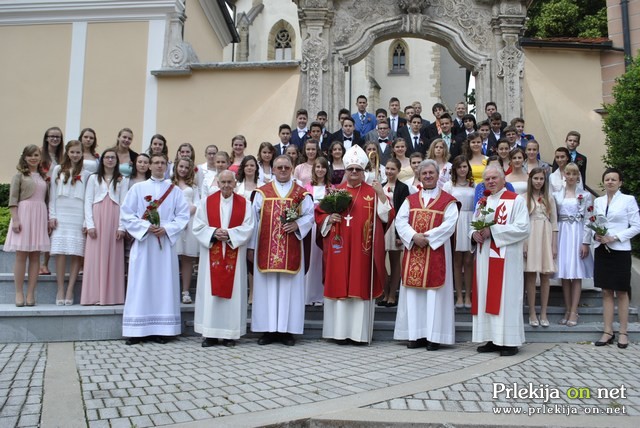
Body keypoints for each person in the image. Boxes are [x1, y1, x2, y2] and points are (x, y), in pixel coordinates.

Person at [316, 145, 392, 345]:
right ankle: (338, 333)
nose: (354, 173)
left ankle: (359, 334)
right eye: (351, 169)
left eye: (358, 169)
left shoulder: (372, 191)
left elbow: (386, 217)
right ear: (346, 171)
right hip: (339, 248)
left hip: (362, 250)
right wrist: (328, 219)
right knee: (339, 285)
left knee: (360, 287)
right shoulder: (335, 192)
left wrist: (382, 194)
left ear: (364, 171)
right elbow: (320, 215)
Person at [120, 154, 190, 344]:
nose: (159, 166)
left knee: (163, 283)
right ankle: (136, 330)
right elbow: (126, 214)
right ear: (149, 165)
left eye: (162, 163)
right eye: (156, 162)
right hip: (144, 243)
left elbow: (183, 216)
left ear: (167, 167)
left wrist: (166, 228)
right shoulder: (138, 188)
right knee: (140, 282)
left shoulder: (174, 191)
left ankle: (162, 329)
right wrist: (145, 227)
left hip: (164, 244)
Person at [249, 155, 314, 346]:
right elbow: (253, 222)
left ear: (292, 168)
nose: (283, 170)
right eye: (279, 167)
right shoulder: (262, 193)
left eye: (286, 167)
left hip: (292, 249)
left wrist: (298, 224)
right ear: (274, 170)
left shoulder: (301, 194)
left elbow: (310, 216)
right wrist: (251, 248)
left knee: (289, 291)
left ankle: (287, 331)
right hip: (265, 249)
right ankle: (268, 331)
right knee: (266, 291)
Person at [395, 159, 458, 350]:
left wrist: (427, 238)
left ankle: (434, 336)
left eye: (431, 173)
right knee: (413, 296)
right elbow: (400, 221)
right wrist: (414, 236)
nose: (428, 176)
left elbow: (450, 224)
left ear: (438, 175)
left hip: (436, 251)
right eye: (424, 174)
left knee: (435, 296)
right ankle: (415, 335)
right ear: (419, 176)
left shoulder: (448, 201)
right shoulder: (410, 200)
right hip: (414, 249)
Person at [471, 164, 529, 356]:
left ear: (504, 179)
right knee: (486, 295)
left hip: (507, 259)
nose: (491, 181)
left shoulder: (516, 201)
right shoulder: (483, 202)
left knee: (506, 297)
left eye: (494, 178)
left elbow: (523, 228)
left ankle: (509, 341)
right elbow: (473, 223)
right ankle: (492, 338)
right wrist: (474, 234)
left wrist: (493, 231)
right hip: (484, 256)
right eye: (487, 179)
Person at [192, 170, 255, 348]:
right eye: (223, 182)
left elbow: (249, 226)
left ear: (235, 183)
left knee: (233, 293)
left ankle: (230, 334)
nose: (226, 185)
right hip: (212, 251)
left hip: (233, 251)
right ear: (217, 183)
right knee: (209, 293)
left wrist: (229, 234)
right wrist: (213, 233)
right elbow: (197, 226)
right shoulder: (206, 202)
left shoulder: (245, 203)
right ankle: (210, 333)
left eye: (230, 182)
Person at [591, 168, 640, 349]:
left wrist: (615, 237)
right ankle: (607, 331)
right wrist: (595, 235)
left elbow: (636, 226)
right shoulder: (598, 201)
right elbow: (594, 223)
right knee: (605, 291)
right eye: (607, 179)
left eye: (613, 179)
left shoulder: (628, 200)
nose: (610, 182)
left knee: (621, 291)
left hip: (620, 250)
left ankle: (623, 332)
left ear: (620, 183)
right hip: (602, 249)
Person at [81, 148, 129, 305]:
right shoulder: (94, 178)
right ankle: (94, 296)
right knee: (95, 257)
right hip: (97, 218)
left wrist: (122, 227)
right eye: (107, 157)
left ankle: (111, 296)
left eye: (113, 158)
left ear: (117, 161)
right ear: (102, 160)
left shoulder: (122, 180)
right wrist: (90, 224)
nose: (110, 160)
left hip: (114, 219)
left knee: (113, 257)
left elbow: (124, 204)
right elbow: (88, 202)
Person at [4, 145, 50, 306]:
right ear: (24, 157)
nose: (33, 158)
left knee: (36, 256)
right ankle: (18, 293)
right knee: (21, 255)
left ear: (40, 157)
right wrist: (15, 219)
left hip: (40, 215)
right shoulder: (19, 176)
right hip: (24, 215)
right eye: (30, 155)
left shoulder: (44, 177)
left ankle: (30, 294)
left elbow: (47, 200)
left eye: (36, 155)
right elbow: (13, 199)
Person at [552, 162, 593, 327]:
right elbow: (554, 218)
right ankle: (567, 309)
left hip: (577, 233)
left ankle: (574, 310)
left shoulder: (585, 195)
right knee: (565, 274)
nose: (570, 177)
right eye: (568, 174)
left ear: (578, 176)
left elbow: (589, 219)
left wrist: (585, 242)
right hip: (563, 234)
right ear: (564, 176)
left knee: (575, 274)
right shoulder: (556, 195)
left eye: (574, 174)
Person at [49, 140, 89, 305]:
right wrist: (52, 215)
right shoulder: (58, 169)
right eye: (72, 152)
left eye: (78, 152)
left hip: (78, 215)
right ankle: (60, 288)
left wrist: (87, 220)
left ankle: (71, 289)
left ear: (82, 153)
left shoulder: (86, 173)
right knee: (60, 252)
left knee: (76, 253)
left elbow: (88, 198)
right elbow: (52, 193)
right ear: (67, 152)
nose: (75, 155)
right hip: (62, 214)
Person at [524, 168, 558, 327]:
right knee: (530, 275)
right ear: (530, 179)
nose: (538, 181)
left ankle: (543, 312)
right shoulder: (523, 198)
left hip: (546, 235)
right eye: (536, 178)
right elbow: (521, 223)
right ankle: (531, 312)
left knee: (545, 275)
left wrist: (554, 245)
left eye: (541, 179)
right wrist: (523, 245)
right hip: (530, 236)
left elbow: (555, 223)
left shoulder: (549, 198)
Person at [443, 156, 476, 309]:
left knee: (469, 261)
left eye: (465, 166)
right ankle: (459, 296)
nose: (463, 169)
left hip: (470, 220)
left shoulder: (474, 185)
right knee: (457, 261)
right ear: (455, 169)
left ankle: (468, 295)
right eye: (460, 167)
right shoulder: (449, 186)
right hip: (455, 221)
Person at [379, 158, 410, 307]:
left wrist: (400, 234)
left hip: (395, 226)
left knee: (395, 262)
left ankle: (392, 295)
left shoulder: (403, 188)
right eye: (388, 169)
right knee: (380, 260)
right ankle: (384, 293)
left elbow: (403, 211)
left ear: (398, 171)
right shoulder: (381, 186)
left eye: (393, 169)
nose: (389, 172)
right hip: (382, 227)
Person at [303, 157, 333, 306]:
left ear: (327, 170)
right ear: (313, 169)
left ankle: (320, 295)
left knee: (322, 259)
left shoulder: (331, 188)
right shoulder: (307, 188)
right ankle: (307, 295)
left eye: (323, 167)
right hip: (310, 226)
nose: (320, 170)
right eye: (317, 167)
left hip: (324, 226)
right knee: (310, 258)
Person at [172, 157, 200, 304]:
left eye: (186, 167)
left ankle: (185, 291)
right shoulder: (169, 184)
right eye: (181, 166)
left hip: (189, 222)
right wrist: (177, 220)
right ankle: (170, 291)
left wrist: (185, 217)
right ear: (176, 167)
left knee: (187, 258)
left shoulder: (193, 186)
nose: (183, 169)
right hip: (173, 223)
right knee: (171, 258)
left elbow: (197, 203)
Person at [40, 126, 64, 275]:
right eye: (52, 136)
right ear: (46, 138)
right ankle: (38, 262)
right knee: (41, 228)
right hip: (42, 194)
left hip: (56, 196)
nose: (55, 139)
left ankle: (44, 263)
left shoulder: (62, 157)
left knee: (50, 229)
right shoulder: (40, 154)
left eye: (58, 137)